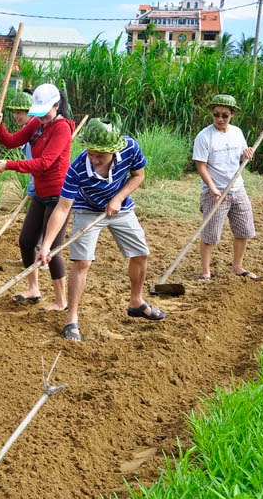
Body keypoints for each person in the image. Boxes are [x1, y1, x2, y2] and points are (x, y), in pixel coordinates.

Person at [37, 116, 166, 343]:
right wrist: (46, 246)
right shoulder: (76, 169)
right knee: (82, 262)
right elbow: (62, 208)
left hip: (121, 207)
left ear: (114, 150)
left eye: (101, 155)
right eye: (91, 153)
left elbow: (139, 175)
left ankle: (136, 301)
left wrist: (118, 198)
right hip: (87, 210)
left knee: (141, 254)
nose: (95, 159)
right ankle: (72, 318)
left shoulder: (129, 147)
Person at [0, 83, 74, 311]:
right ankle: (34, 289)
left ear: (56, 106)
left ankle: (60, 300)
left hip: (58, 195)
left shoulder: (62, 129)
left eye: (45, 112)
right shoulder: (36, 123)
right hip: (41, 193)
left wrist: (10, 165)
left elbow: (45, 163)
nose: (41, 117)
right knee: (26, 242)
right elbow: (10, 141)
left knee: (52, 249)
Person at [192, 94, 259, 282]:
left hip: (238, 189)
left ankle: (237, 267)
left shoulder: (237, 132)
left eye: (224, 115)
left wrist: (247, 154)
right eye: (216, 115)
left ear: (232, 115)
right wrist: (213, 189)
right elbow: (201, 166)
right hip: (215, 192)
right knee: (211, 234)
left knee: (244, 230)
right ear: (212, 114)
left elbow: (242, 158)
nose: (220, 119)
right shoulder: (204, 137)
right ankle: (206, 272)